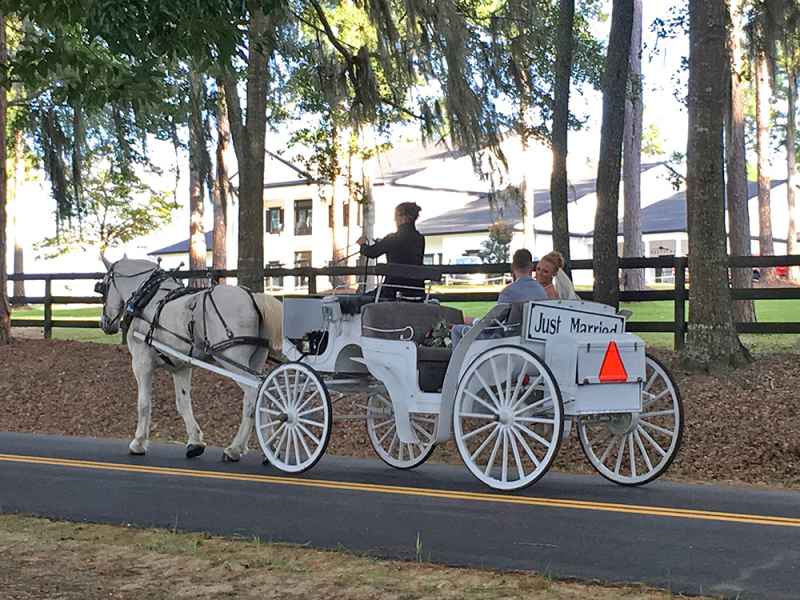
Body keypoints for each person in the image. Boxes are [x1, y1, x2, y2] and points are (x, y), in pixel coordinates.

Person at [451, 249, 547, 346]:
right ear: (531, 266)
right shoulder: (541, 291)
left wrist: (473, 321)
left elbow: (491, 324)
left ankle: (459, 361)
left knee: (456, 330)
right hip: (534, 340)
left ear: (513, 267)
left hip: (506, 339)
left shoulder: (509, 292)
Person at [357, 202, 425, 300]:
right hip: (416, 291)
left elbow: (371, 252)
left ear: (404, 218)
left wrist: (362, 244)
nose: (394, 219)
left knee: (359, 300)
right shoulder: (420, 239)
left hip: (391, 290)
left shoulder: (393, 238)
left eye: (396, 216)